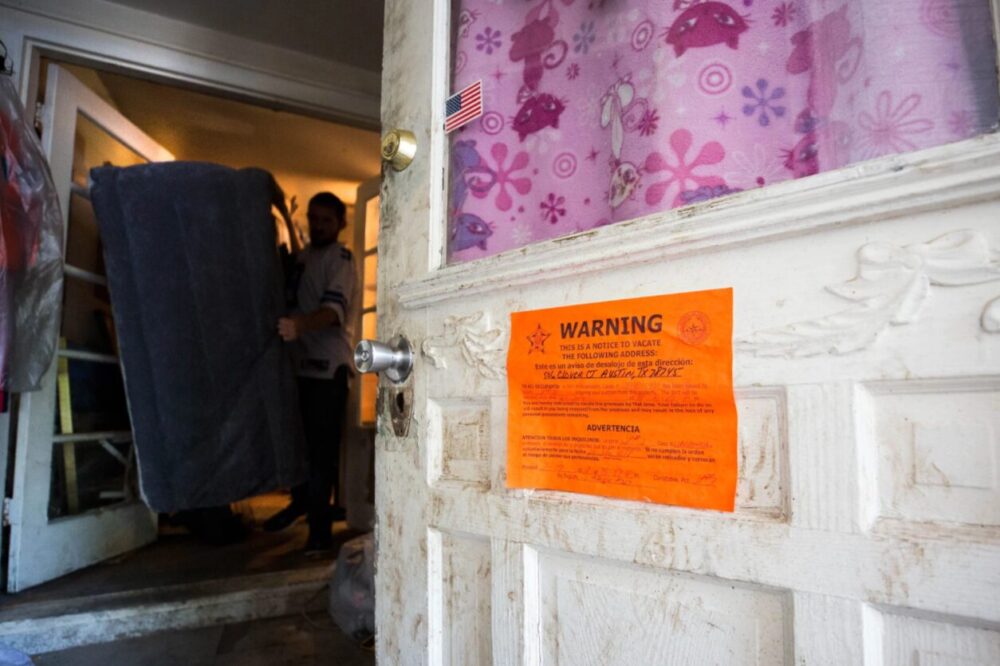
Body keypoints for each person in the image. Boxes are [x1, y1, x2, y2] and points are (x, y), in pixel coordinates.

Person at [265, 191, 356, 552]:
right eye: (314, 219)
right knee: (297, 448)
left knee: (321, 454)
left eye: (326, 221)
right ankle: (301, 503)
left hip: (327, 371)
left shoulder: (341, 259)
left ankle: (320, 532)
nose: (318, 226)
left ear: (340, 224)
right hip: (299, 369)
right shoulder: (303, 258)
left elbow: (333, 312)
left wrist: (300, 326)